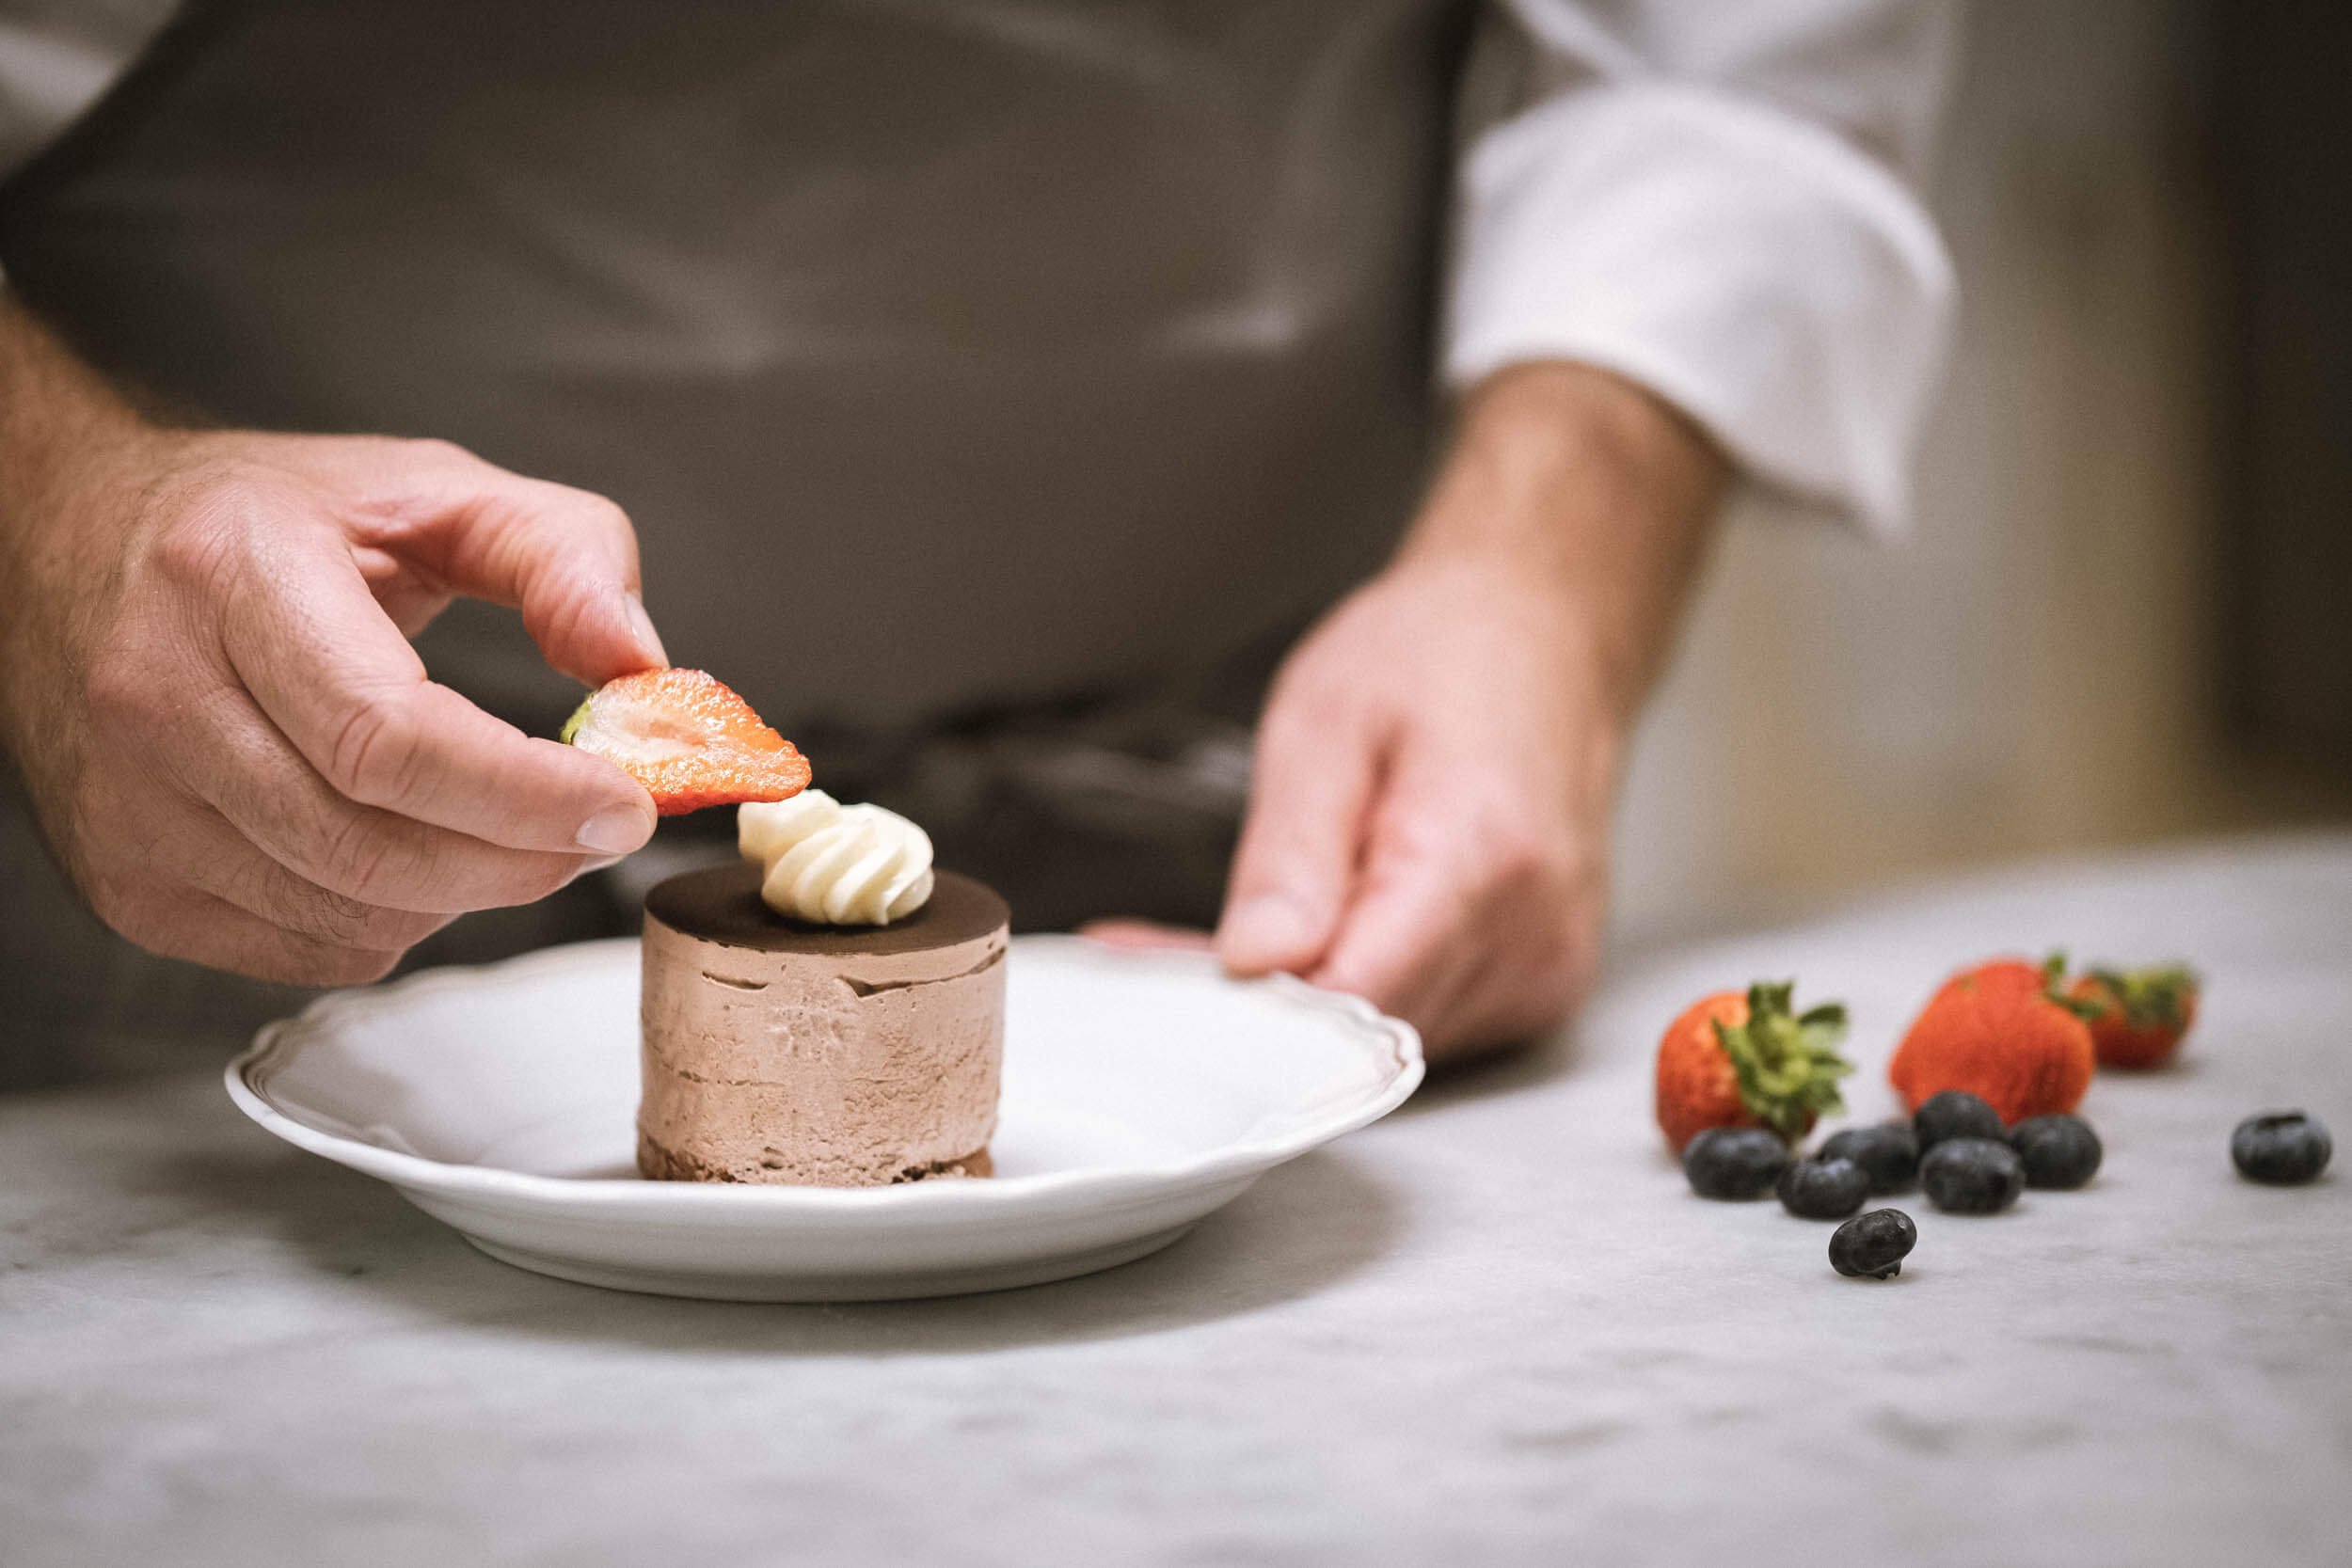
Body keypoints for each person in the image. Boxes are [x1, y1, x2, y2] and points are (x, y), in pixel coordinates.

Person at [0, 0, 1953, 1071]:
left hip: (1221, 876)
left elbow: (1745, 64)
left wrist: (1540, 568)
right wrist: (56, 516)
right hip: (201, 887)